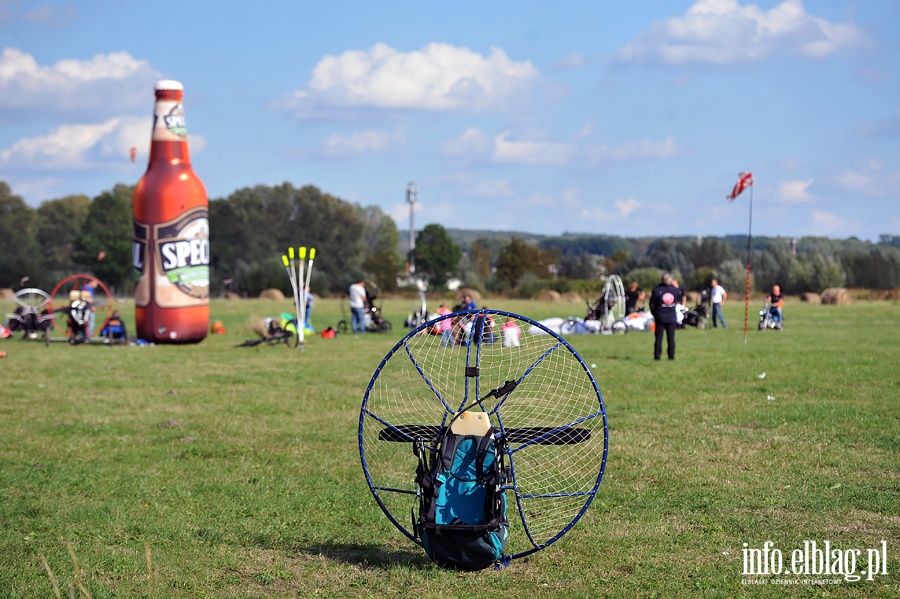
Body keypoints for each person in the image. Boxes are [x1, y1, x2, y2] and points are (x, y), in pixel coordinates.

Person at [649, 272, 683, 361]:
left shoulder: (657, 290)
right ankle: (671, 356)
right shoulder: (675, 290)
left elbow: (652, 303)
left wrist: (655, 313)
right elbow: (679, 299)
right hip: (671, 317)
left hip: (660, 316)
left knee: (658, 338)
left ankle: (657, 356)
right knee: (671, 338)